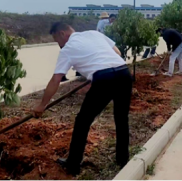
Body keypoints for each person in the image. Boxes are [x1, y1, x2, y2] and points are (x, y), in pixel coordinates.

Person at [33, 23, 132, 175]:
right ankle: (123, 160)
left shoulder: (67, 49)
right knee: (121, 118)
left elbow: (56, 79)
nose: (59, 45)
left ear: (62, 34)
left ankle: (72, 165)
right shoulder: (94, 33)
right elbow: (117, 52)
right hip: (123, 73)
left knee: (82, 121)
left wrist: (42, 105)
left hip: (104, 79)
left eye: (56, 40)